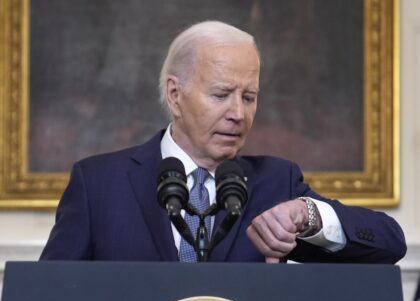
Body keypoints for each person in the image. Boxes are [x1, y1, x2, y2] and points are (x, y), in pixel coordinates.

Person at [40, 21, 406, 263]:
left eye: (249, 97)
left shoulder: (275, 183)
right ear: (175, 95)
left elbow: (389, 244)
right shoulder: (99, 184)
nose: (239, 114)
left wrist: (306, 214)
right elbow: (48, 297)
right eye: (221, 94)